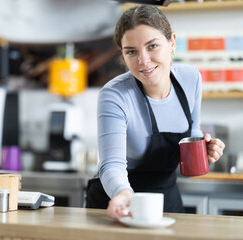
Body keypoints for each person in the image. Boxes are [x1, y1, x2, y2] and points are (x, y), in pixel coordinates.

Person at [85, 5, 225, 221]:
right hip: (118, 201)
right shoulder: (115, 95)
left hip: (166, 199)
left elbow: (192, 130)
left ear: (172, 44)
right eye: (131, 51)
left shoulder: (190, 78)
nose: (143, 60)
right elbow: (111, 164)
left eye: (152, 46)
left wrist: (202, 150)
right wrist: (123, 195)